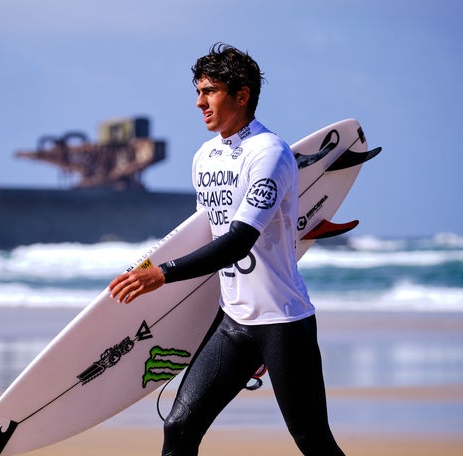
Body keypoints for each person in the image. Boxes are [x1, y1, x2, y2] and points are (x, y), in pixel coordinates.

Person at [108, 43, 344, 456]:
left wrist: (161, 274)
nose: (199, 102)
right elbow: (209, 235)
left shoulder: (270, 154)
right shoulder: (205, 157)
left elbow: (238, 241)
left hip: (282, 323)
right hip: (233, 322)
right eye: (198, 92)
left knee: (312, 439)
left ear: (242, 95)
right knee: (179, 428)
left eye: (210, 91)